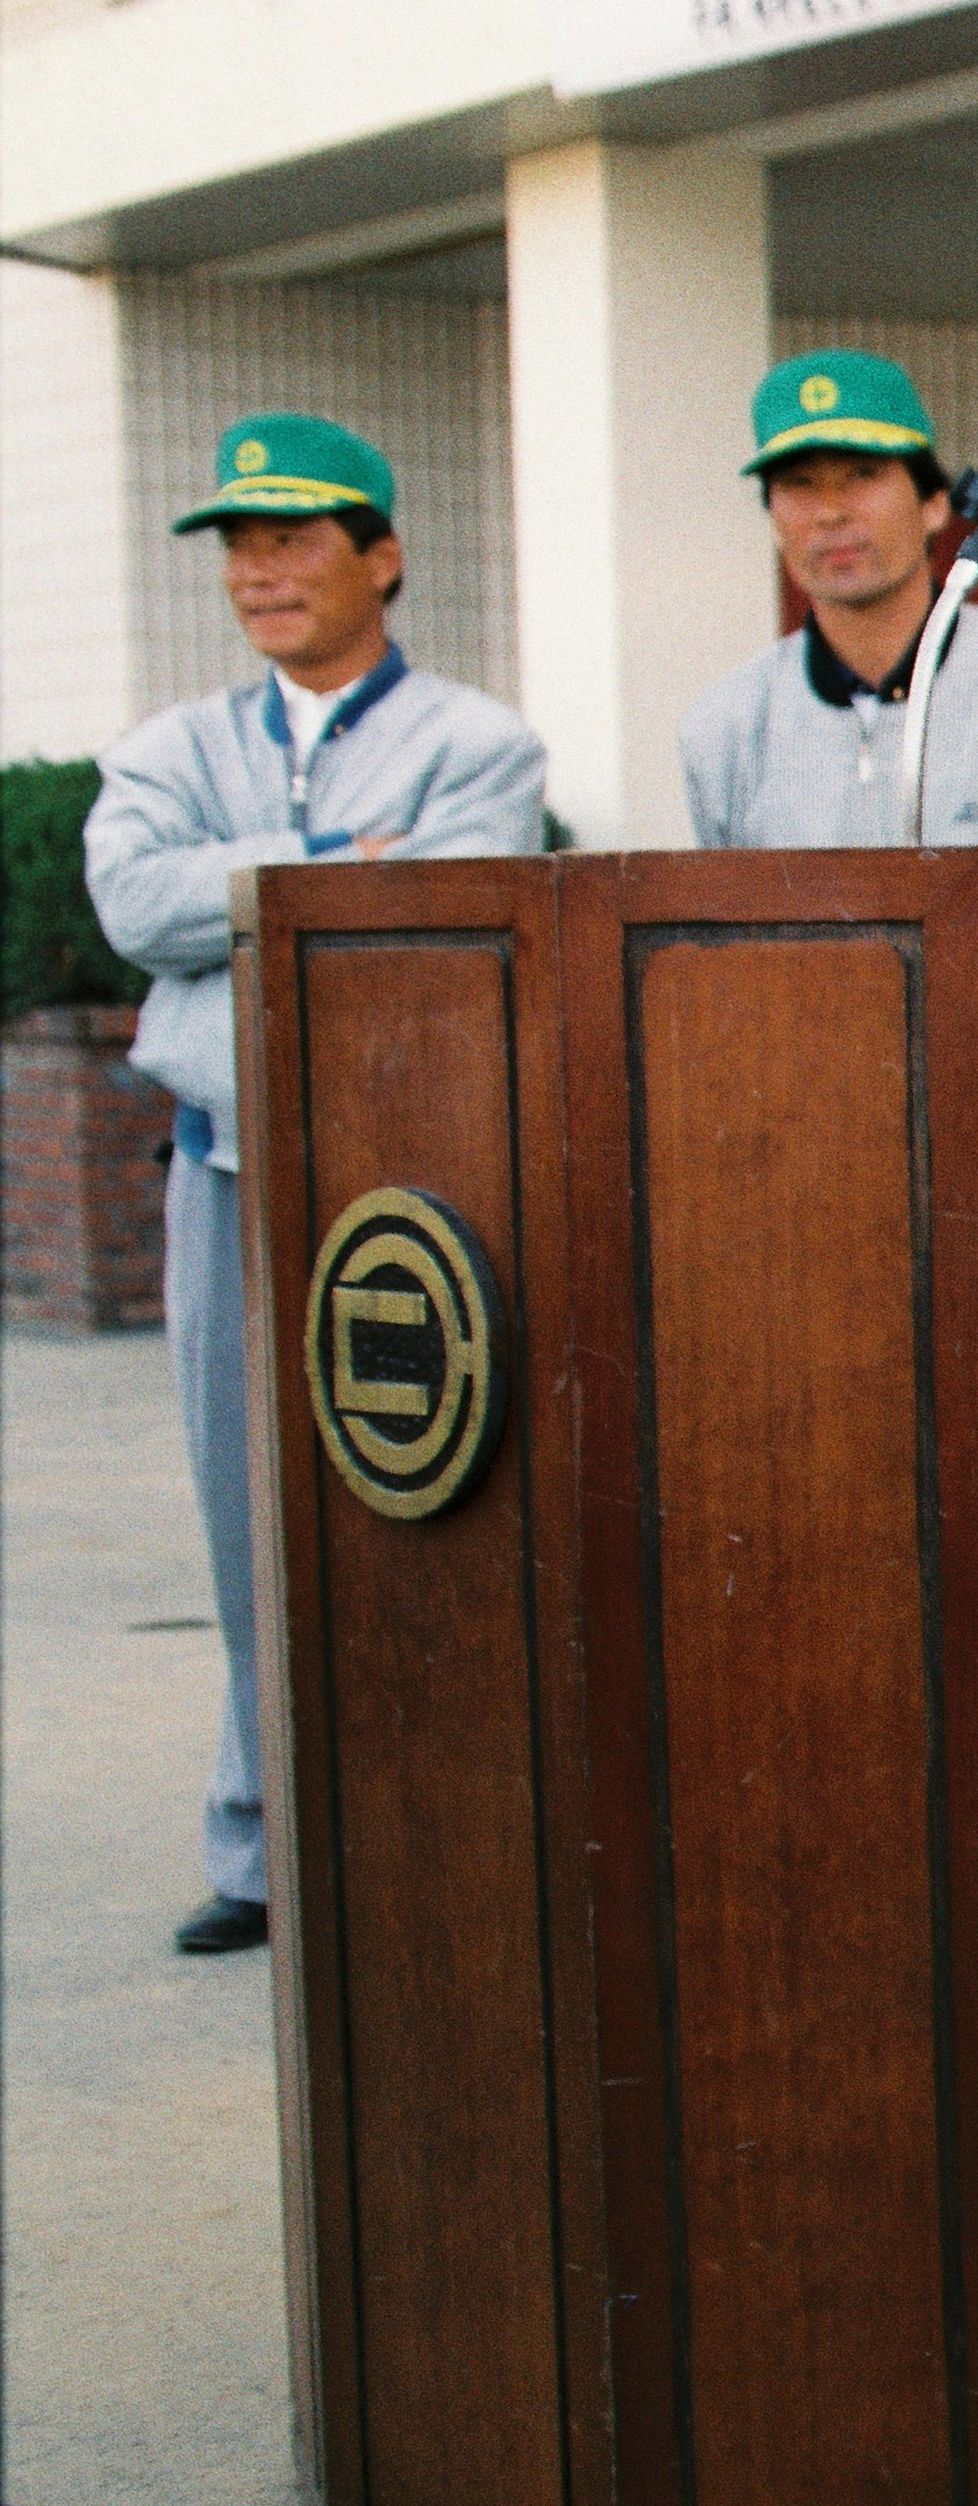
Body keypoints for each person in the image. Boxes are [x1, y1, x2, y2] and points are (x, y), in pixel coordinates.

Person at [84, 414, 547, 1957]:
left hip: (405, 1194)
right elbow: (132, 901)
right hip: (225, 1169)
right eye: (239, 543)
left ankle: (426, 1840)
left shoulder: (479, 741)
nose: (262, 570)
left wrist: (244, 876)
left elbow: (439, 906)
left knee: (422, 1518)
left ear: (382, 556)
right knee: (245, 1519)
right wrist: (320, 848)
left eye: (294, 537)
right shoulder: (168, 746)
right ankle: (262, 1850)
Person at [679, 350, 978, 848]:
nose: (830, 512)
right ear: (773, 519)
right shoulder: (725, 728)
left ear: (933, 505)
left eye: (862, 474)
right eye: (799, 484)